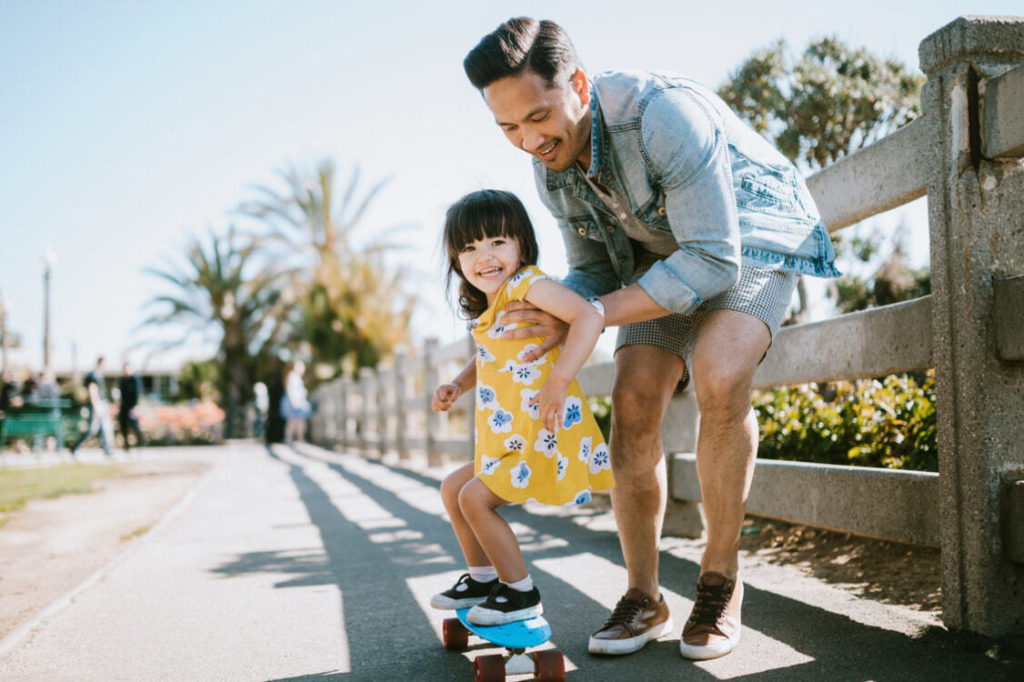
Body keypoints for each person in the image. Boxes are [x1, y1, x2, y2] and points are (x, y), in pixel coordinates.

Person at [463, 18, 840, 659]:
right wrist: (561, 307)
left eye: (538, 116)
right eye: (508, 128)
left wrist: (585, 313)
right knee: (633, 399)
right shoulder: (549, 167)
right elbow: (595, 271)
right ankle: (644, 596)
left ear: (578, 83)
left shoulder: (662, 115)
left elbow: (715, 262)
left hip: (750, 243)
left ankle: (720, 580)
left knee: (720, 373)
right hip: (657, 263)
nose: (529, 140)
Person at [428, 189, 614, 626]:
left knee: (475, 499)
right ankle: (482, 578)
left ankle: (519, 592)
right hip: (510, 435)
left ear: (521, 245)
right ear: (456, 260)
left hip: (542, 429)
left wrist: (559, 379)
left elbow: (589, 316)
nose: (484, 256)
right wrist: (457, 383)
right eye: (469, 247)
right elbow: (490, 354)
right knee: (454, 489)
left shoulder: (527, 284)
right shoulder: (493, 304)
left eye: (497, 241)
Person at [70, 356, 112, 457]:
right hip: (96, 404)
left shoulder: (98, 375)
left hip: (100, 404)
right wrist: (96, 407)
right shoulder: (94, 375)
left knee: (102, 428)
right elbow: (92, 391)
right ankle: (75, 447)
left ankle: (107, 450)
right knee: (92, 429)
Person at [281, 361, 312, 445]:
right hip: (294, 401)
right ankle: (289, 439)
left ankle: (297, 438)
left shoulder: (295, 376)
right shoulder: (293, 376)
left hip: (297, 400)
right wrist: (293, 401)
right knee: (293, 420)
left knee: (298, 420)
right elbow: (290, 389)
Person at [117, 361, 144, 451]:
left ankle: (140, 443)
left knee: (134, 425)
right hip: (124, 406)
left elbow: (137, 393)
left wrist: (136, 406)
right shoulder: (122, 380)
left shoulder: (135, 379)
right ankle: (126, 444)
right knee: (123, 425)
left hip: (133, 406)